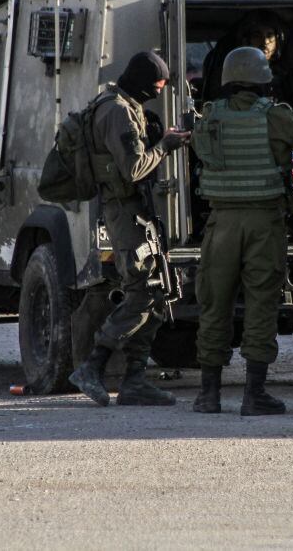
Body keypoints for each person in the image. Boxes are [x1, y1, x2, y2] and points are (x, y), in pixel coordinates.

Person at [191, 47, 293, 416]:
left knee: (215, 306)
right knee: (261, 304)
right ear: (263, 79)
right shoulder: (274, 115)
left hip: (220, 224)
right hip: (263, 223)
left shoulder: (210, 116)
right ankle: (254, 394)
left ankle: (208, 395)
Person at [68, 51, 191, 407]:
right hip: (124, 211)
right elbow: (134, 169)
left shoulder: (124, 104)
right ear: (141, 81)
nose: (158, 93)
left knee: (158, 291)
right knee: (141, 291)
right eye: (156, 86)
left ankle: (135, 379)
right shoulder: (117, 111)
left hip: (136, 211)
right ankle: (92, 366)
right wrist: (165, 146)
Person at [200, 10, 293, 104]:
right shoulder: (234, 73)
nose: (265, 42)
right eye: (257, 35)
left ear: (277, 41)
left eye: (270, 36)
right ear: (246, 40)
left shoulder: (285, 77)